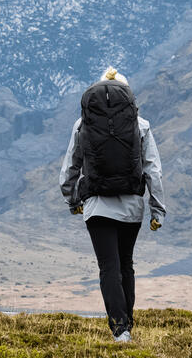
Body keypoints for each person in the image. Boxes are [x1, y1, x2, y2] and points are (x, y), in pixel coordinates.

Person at [60, 67, 166, 343]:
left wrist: (72, 199)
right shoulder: (140, 125)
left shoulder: (82, 124)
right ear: (128, 97)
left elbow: (70, 167)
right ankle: (126, 324)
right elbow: (153, 170)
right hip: (131, 208)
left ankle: (120, 329)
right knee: (126, 264)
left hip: (96, 208)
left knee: (108, 266)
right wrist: (158, 209)